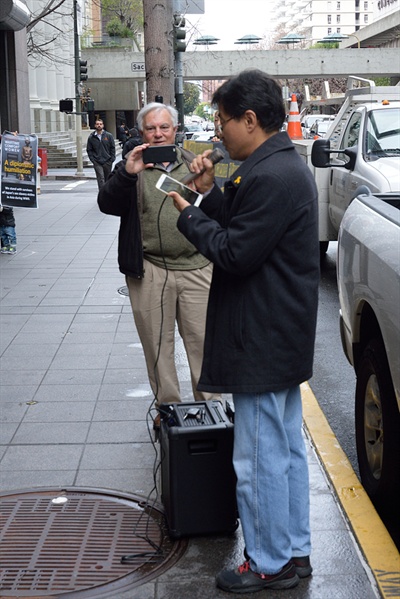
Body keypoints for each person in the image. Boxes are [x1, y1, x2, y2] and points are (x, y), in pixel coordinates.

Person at [169, 70, 320, 593]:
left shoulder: (271, 174)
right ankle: (293, 551)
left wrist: (189, 213)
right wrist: (210, 194)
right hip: (279, 334)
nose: (218, 131)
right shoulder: (274, 165)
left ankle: (268, 563)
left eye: (223, 120)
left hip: (260, 337)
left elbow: (234, 252)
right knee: (284, 452)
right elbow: (244, 222)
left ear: (250, 120)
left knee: (257, 459)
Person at [97, 102, 220, 428]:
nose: (158, 133)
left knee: (203, 345)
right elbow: (105, 203)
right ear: (141, 132)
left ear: (175, 130)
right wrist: (127, 172)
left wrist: (207, 185)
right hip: (149, 269)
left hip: (197, 267)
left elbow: (219, 209)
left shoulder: (193, 163)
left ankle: (213, 411)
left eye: (164, 127)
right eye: (151, 128)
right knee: (157, 346)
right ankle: (168, 410)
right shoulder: (132, 165)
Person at [86, 119, 115, 189]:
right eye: (97, 124)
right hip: (97, 161)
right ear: (95, 125)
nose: (99, 125)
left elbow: (112, 148)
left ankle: (107, 192)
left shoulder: (109, 136)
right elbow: (89, 149)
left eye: (100, 124)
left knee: (107, 178)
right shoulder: (91, 137)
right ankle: (102, 194)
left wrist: (112, 159)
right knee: (100, 178)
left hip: (107, 161)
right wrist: (93, 160)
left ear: (103, 125)